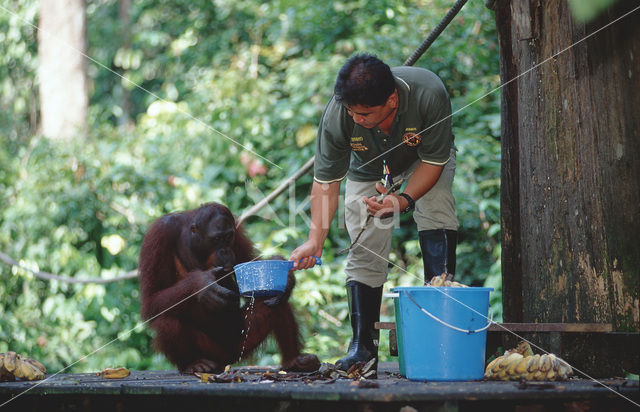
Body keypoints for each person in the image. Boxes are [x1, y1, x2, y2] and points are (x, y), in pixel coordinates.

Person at [290, 53, 458, 372]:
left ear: (392, 100)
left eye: (365, 113)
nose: (356, 119)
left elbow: (435, 162)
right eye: (352, 112)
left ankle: (443, 319)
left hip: (424, 162)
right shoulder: (339, 115)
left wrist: (402, 200)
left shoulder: (428, 93)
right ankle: (363, 348)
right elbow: (326, 183)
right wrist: (315, 240)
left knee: (436, 206)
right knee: (365, 238)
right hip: (369, 170)